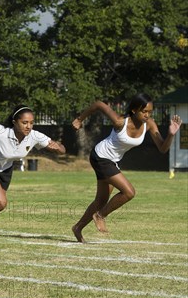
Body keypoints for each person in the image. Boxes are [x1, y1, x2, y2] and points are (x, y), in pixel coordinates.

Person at [71, 94, 182, 243]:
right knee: (129, 192)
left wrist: (170, 135)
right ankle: (100, 215)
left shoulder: (149, 124)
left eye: (150, 112)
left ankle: (78, 227)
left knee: (101, 200)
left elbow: (162, 148)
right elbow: (98, 104)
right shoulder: (120, 122)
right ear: (135, 110)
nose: (147, 115)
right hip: (100, 157)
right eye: (144, 111)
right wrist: (79, 119)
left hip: (113, 161)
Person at [0, 106, 66, 243]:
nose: (28, 126)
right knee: (0, 203)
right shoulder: (0, 132)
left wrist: (57, 148)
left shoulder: (34, 136)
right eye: (24, 122)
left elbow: (61, 149)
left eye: (31, 123)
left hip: (5, 168)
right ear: (14, 122)